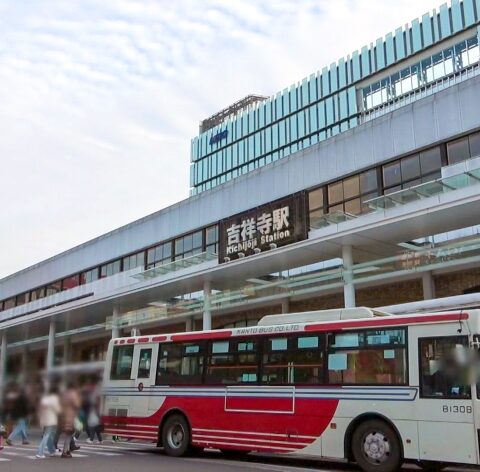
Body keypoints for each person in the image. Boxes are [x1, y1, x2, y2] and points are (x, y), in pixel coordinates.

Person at [36, 386, 61, 459]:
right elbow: (58, 410)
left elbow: (40, 409)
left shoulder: (44, 399)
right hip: (51, 419)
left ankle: (52, 451)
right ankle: (40, 453)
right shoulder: (55, 399)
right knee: (47, 435)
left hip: (44, 418)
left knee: (48, 435)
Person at [60, 383, 81, 458]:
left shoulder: (64, 395)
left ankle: (67, 450)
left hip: (65, 415)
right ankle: (65, 452)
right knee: (69, 434)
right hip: (71, 415)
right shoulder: (73, 394)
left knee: (68, 434)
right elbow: (77, 404)